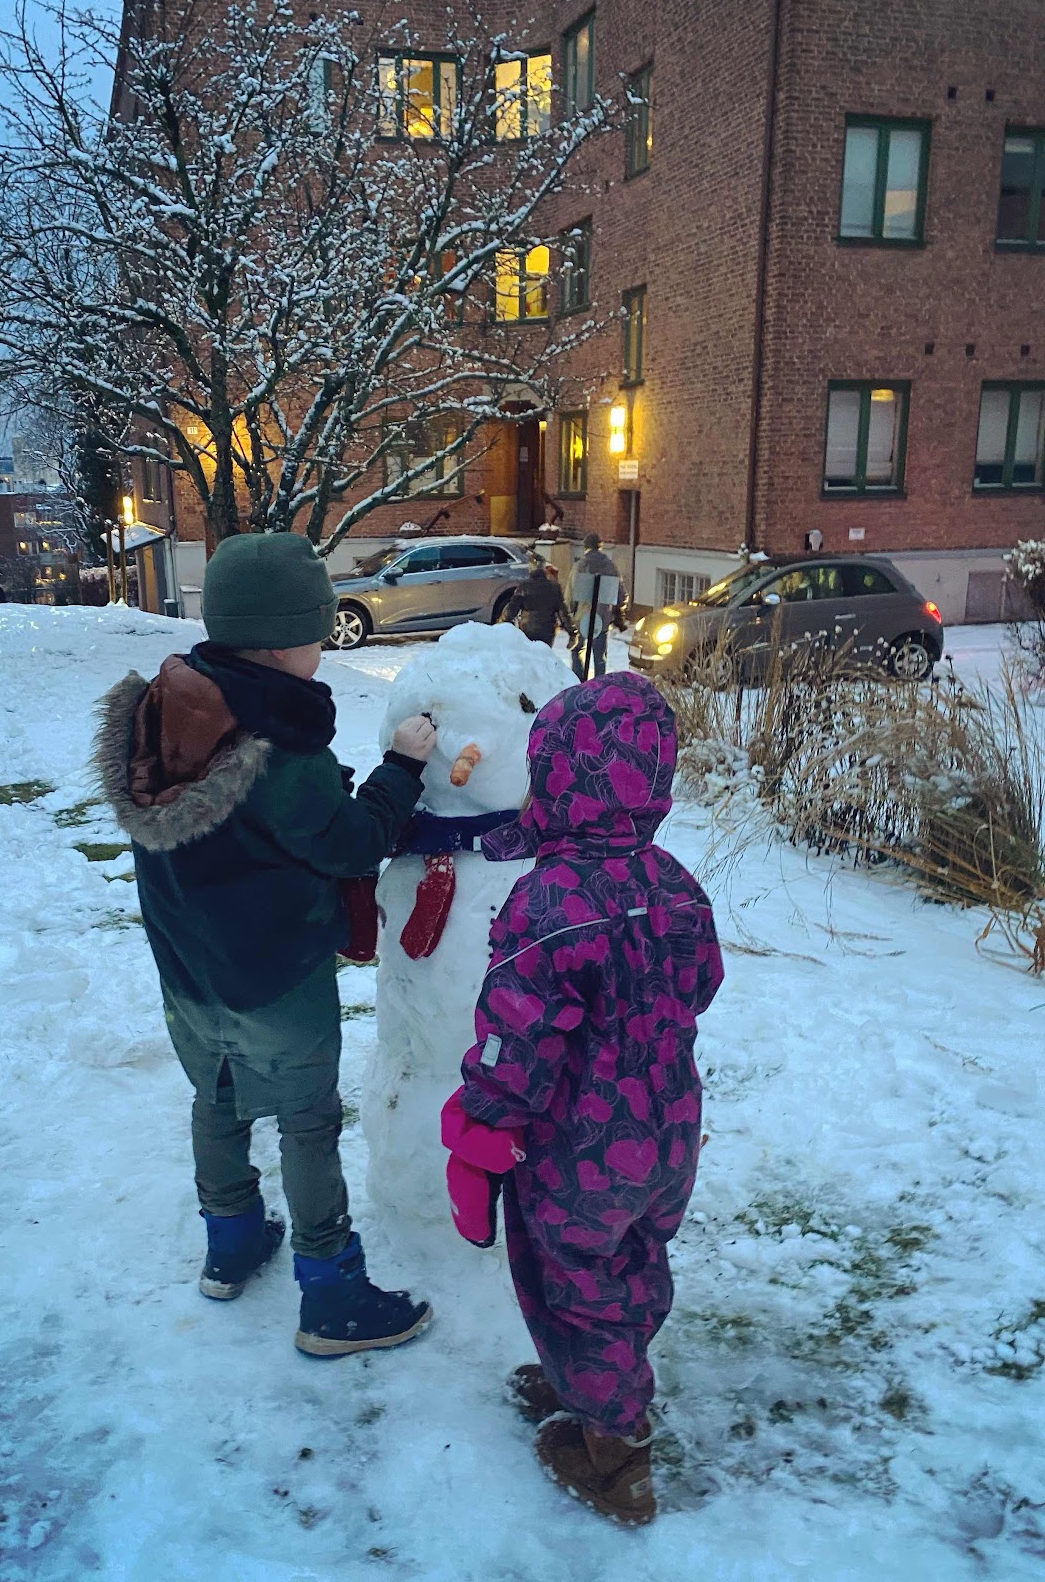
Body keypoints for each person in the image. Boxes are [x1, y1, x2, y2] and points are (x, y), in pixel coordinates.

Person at [95, 531, 437, 1357]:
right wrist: (401, 768)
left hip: (188, 970)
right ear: (284, 643)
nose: (325, 644)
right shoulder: (277, 748)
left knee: (215, 1098)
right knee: (307, 1121)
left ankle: (232, 1241)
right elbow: (353, 843)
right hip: (277, 977)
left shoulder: (163, 710)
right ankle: (331, 1293)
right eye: (318, 629)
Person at [440, 673, 724, 1523]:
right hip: (669, 1131)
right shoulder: (675, 882)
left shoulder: (548, 902)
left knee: (573, 1281)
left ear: (560, 777)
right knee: (632, 1264)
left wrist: (483, 1121)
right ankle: (595, 1379)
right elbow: (703, 983)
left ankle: (616, 1455)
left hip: (579, 1146)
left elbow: (516, 1040)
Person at [568, 533, 628, 681]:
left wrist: (571, 612)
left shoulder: (580, 565)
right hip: (602, 617)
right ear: (600, 547)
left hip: (582, 616)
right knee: (600, 655)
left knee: (577, 649)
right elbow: (621, 594)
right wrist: (618, 612)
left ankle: (579, 681)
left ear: (586, 547)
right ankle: (599, 685)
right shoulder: (610, 566)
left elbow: (570, 593)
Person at [500, 552, 573, 646]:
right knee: (544, 652)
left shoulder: (524, 586)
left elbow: (510, 611)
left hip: (527, 629)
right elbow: (562, 612)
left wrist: (502, 622)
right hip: (548, 630)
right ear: (544, 568)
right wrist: (571, 631)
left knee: (529, 653)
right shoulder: (554, 587)